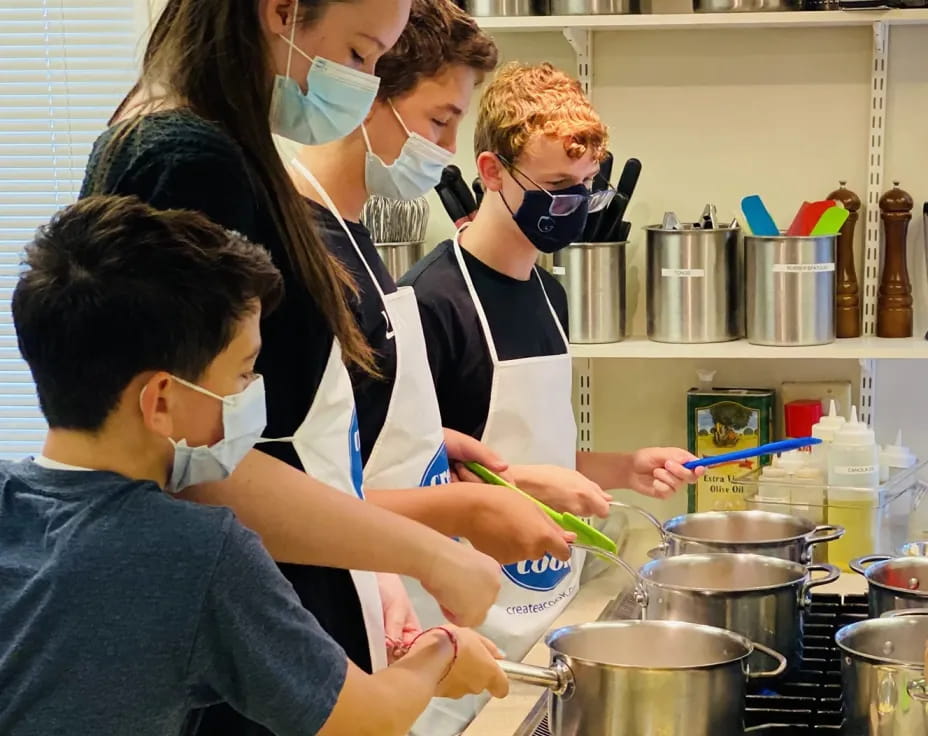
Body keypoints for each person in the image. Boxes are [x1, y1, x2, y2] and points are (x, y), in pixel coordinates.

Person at [80, 0, 567, 703]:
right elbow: (191, 462)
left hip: (288, 583)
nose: (363, 85)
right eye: (362, 54)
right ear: (281, 12)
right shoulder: (189, 161)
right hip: (251, 605)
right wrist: (425, 549)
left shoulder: (215, 144)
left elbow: (271, 425)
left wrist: (370, 571)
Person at [0, 195, 509, 736]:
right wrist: (441, 654)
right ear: (162, 401)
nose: (251, 394)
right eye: (243, 373)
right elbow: (369, 716)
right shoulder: (200, 554)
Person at [399, 62, 704, 733]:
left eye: (586, 189)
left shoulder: (550, 290)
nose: (570, 205)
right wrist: (521, 489)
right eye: (556, 187)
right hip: (460, 632)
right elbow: (404, 479)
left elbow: (536, 449)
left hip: (546, 611)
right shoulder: (430, 303)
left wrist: (623, 467)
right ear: (492, 169)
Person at [288, 0, 591, 651]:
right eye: (439, 119)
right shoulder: (303, 256)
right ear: (365, 89)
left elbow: (357, 451)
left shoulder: (358, 246)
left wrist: (455, 457)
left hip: (396, 611)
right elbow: (280, 492)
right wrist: (469, 511)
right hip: (339, 623)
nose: (448, 150)